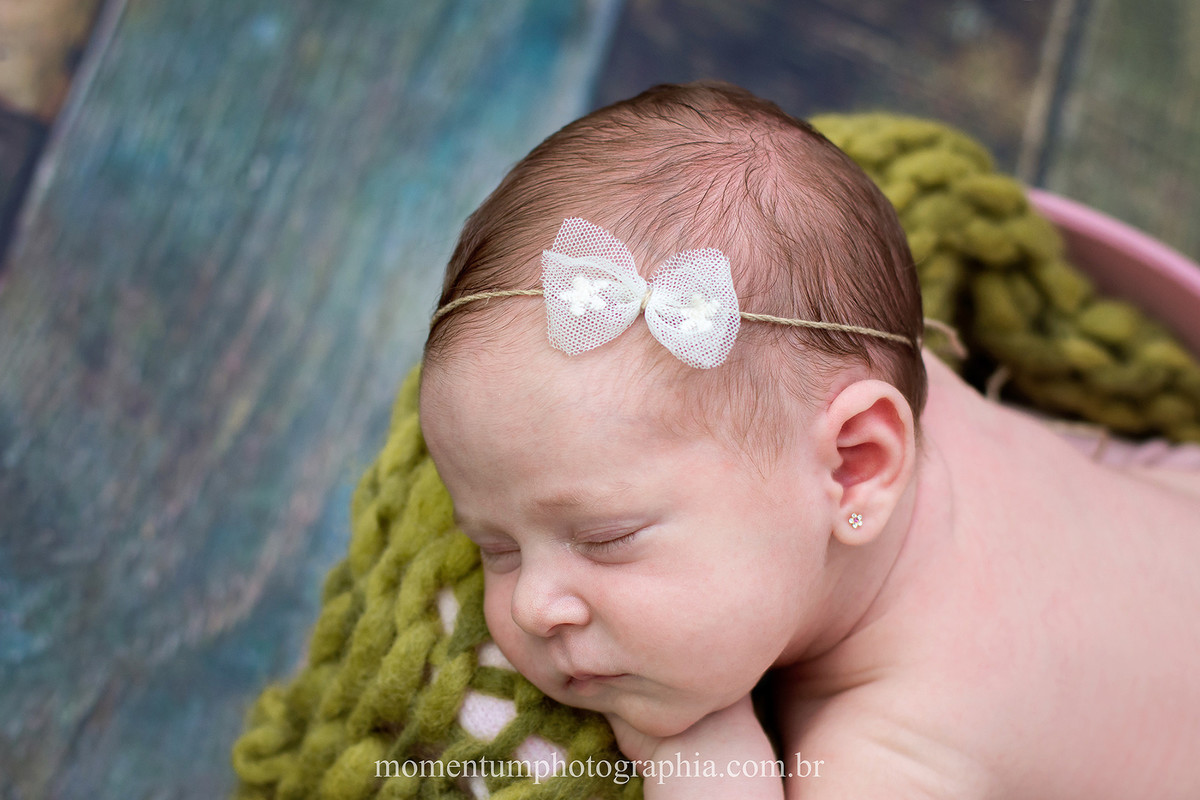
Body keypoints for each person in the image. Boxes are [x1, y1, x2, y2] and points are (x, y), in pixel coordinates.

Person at [417, 81, 1200, 798]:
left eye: (607, 537)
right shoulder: (865, 373)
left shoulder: (902, 739)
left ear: (856, 467)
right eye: (495, 548)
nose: (532, 606)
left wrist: (700, 759)